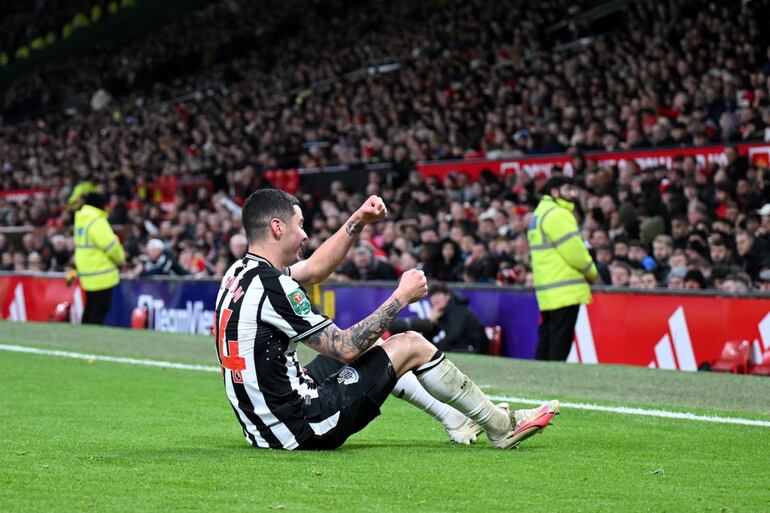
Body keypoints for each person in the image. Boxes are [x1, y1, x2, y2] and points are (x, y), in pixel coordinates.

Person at [215, 189, 559, 450]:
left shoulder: (240, 273)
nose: (305, 235)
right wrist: (401, 297)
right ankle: (500, 426)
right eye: (299, 225)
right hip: (299, 425)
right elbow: (346, 348)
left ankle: (456, 420)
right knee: (409, 343)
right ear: (277, 227)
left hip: (261, 424)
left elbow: (316, 268)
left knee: (377, 347)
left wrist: (357, 221)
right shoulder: (276, 287)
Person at [528, 175, 598, 361]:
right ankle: (552, 381)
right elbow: (576, 253)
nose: (573, 194)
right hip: (565, 290)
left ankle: (538, 381)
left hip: (548, 289)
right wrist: (593, 272)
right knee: (559, 343)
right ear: (554, 192)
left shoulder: (540, 213)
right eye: (568, 189)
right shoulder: (558, 214)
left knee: (547, 339)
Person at [74, 192, 126, 324]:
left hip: (87, 273)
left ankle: (83, 338)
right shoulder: (96, 221)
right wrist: (121, 259)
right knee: (99, 310)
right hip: (101, 273)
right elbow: (111, 246)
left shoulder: (81, 220)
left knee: (90, 307)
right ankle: (91, 340)